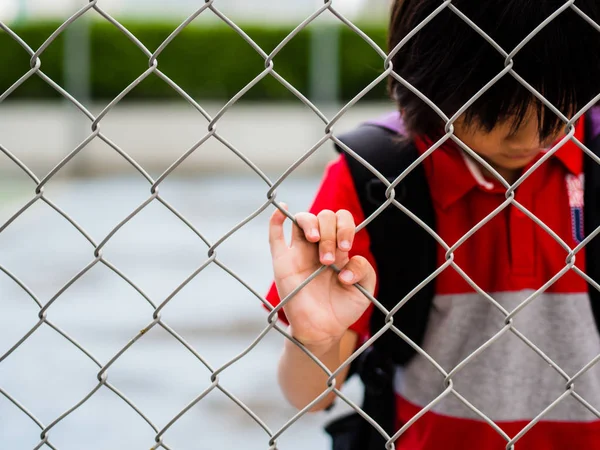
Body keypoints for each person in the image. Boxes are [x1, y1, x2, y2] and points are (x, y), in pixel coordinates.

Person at [265, 0, 600, 449]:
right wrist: (317, 340)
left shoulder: (592, 159)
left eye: (558, 109)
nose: (533, 139)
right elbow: (308, 395)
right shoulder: (378, 178)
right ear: (428, 79)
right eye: (500, 113)